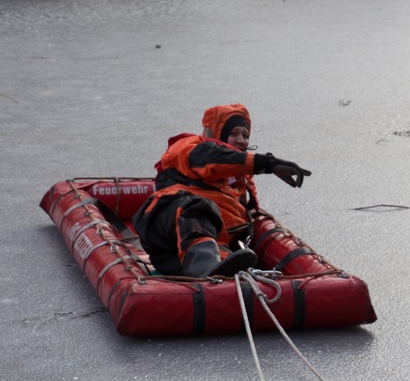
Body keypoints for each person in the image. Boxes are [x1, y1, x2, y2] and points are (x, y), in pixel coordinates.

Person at [133, 104, 311, 278]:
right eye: (233, 133)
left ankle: (223, 267)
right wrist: (268, 164)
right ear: (217, 134)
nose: (241, 140)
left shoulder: (238, 183)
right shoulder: (191, 148)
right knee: (199, 207)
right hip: (166, 228)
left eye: (245, 135)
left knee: (221, 229)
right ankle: (207, 268)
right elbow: (214, 157)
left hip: (189, 253)